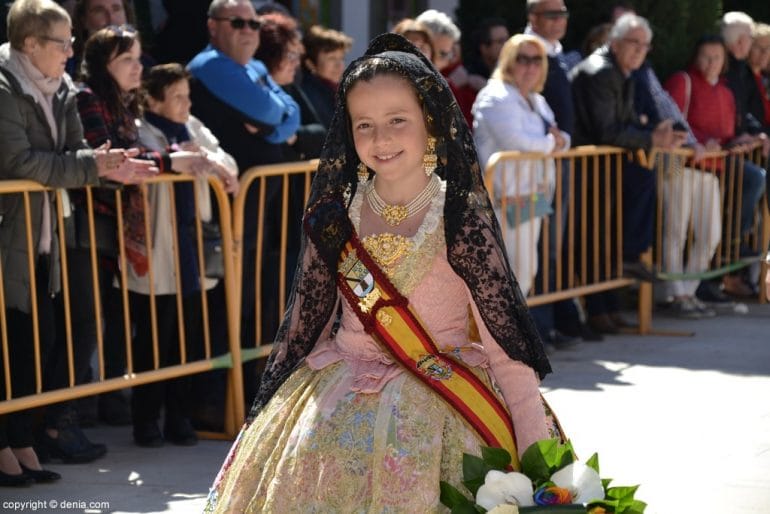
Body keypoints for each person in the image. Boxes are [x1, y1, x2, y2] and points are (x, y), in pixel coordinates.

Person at [204, 33, 556, 512]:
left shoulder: (459, 218)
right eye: (363, 124)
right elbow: (306, 326)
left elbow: (506, 349)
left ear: (430, 122)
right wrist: (266, 420)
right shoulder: (335, 216)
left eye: (397, 121)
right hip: (335, 399)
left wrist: (540, 464)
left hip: (443, 403)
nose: (381, 139)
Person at [0, 0, 155, 486]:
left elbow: (70, 155)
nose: (71, 51)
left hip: (46, 231)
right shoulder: (4, 88)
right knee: (10, 340)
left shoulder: (61, 86)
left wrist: (109, 167)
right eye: (61, 42)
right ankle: (7, 445)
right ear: (29, 44)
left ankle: (23, 439)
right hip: (11, 231)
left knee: (38, 340)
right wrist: (92, 167)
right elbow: (23, 164)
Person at [76, 24, 216, 447]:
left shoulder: (134, 106)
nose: (138, 67)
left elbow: (209, 151)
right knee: (141, 331)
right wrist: (173, 161)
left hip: (179, 240)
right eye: (128, 59)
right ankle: (141, 419)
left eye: (138, 58)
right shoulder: (93, 100)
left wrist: (205, 162)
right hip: (128, 235)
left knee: (183, 331)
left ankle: (177, 417)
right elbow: (120, 159)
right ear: (105, 64)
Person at [570, 13, 685, 334]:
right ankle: (598, 308)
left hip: (607, 168)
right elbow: (607, 130)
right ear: (615, 42)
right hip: (588, 170)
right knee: (595, 242)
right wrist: (651, 138)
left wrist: (658, 132)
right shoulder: (600, 71)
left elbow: (631, 121)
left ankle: (610, 305)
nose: (639, 50)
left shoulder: (626, 73)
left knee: (607, 240)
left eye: (645, 45)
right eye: (633, 43)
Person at [473, 34, 569, 299]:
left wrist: (554, 141)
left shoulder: (536, 99)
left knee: (526, 270)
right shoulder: (496, 96)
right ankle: (505, 337)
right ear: (508, 61)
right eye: (523, 59)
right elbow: (517, 142)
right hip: (504, 197)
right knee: (507, 272)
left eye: (537, 60)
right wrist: (552, 141)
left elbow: (561, 136)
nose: (530, 66)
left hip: (530, 195)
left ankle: (514, 336)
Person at [296, 24, 352, 132]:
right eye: (331, 58)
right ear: (310, 64)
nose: (339, 65)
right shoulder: (308, 95)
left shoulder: (341, 91)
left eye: (341, 58)